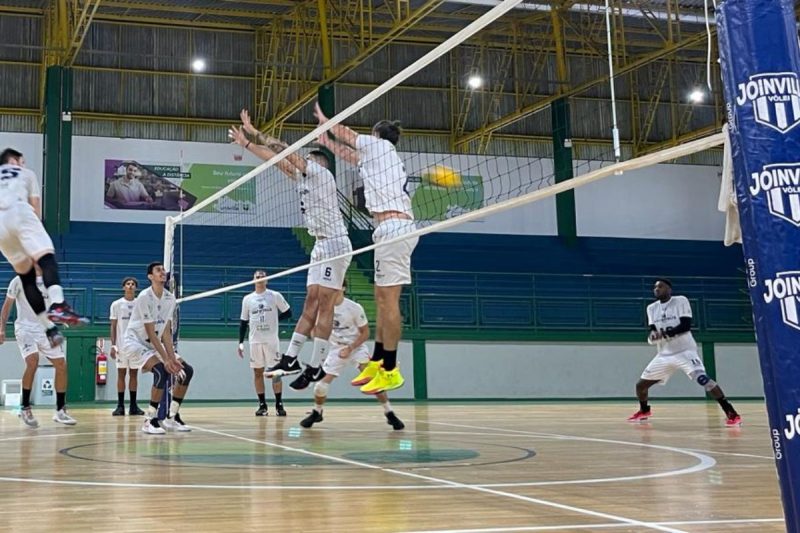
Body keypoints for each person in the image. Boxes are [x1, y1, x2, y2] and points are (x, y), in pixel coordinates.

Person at [229, 109, 352, 391]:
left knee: (323, 302)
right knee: (310, 301)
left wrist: (255, 132)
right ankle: (291, 359)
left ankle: (317, 363)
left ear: (317, 163)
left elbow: (284, 150)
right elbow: (276, 159)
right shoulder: (303, 178)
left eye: (305, 160)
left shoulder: (319, 173)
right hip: (320, 245)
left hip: (335, 242)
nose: (299, 163)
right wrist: (247, 143)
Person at [314, 104, 417, 394]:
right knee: (381, 298)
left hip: (395, 228)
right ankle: (380, 360)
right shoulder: (379, 158)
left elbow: (347, 135)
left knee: (389, 300)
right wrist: (327, 143)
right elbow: (350, 154)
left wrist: (326, 123)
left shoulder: (380, 145)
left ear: (376, 135)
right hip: (389, 230)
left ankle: (390, 368)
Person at [0, 148, 86, 348]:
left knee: (27, 277)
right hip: (19, 211)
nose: (23, 164)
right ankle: (58, 304)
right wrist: (35, 238)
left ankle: (49, 329)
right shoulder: (26, 173)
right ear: (14, 160)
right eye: (21, 161)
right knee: (46, 256)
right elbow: (35, 206)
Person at [628, 278, 742, 427]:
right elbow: (653, 330)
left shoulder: (680, 300)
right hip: (664, 355)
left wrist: (664, 334)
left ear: (669, 289)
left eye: (661, 286)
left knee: (703, 380)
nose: (657, 289)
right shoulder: (651, 308)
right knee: (641, 386)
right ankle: (644, 411)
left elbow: (685, 326)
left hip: (685, 352)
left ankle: (731, 412)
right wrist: (653, 336)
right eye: (655, 287)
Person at [300, 281, 404, 430]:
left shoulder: (354, 308)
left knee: (374, 380)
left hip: (357, 347)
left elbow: (366, 332)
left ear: (343, 288)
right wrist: (316, 338)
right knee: (319, 387)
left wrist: (350, 348)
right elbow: (316, 330)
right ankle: (317, 412)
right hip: (336, 350)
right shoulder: (323, 309)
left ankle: (389, 413)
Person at [122, 261, 194, 435]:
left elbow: (166, 333)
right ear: (150, 276)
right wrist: (167, 359)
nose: (162, 272)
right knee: (162, 370)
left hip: (154, 342)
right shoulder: (144, 297)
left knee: (186, 371)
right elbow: (151, 333)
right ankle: (150, 420)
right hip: (135, 342)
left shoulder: (170, 298)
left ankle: (171, 417)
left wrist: (172, 358)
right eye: (158, 270)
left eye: (163, 270)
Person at [0, 272, 77, 427]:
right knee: (32, 361)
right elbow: (7, 306)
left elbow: (55, 308)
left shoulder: (51, 282)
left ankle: (60, 411)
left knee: (61, 365)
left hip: (46, 329)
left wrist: (64, 318)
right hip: (25, 328)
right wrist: (1, 329)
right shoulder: (18, 280)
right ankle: (25, 407)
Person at [238, 269, 292, 416]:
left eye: (262, 276)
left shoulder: (274, 296)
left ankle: (279, 404)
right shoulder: (248, 299)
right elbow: (243, 321)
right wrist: (240, 342)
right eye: (257, 276)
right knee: (257, 372)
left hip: (271, 341)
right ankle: (262, 405)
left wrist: (275, 320)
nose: (260, 278)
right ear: (253, 279)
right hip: (255, 341)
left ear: (267, 280)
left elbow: (288, 312)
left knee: (275, 372)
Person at [109, 276, 144, 416]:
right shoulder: (116, 304)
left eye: (133, 284)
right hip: (121, 346)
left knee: (134, 374)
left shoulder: (140, 304)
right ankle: (120, 406)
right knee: (121, 374)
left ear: (136, 287)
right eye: (128, 284)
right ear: (123, 287)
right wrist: (113, 345)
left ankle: (134, 406)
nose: (130, 286)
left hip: (136, 345)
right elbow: (113, 326)